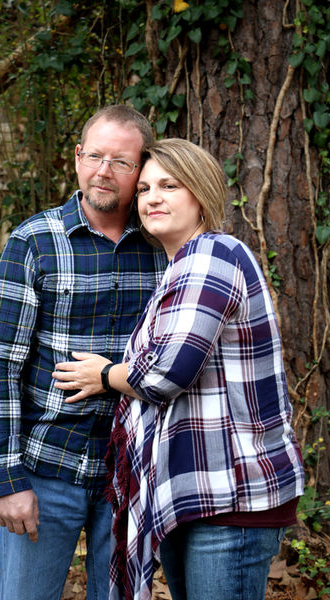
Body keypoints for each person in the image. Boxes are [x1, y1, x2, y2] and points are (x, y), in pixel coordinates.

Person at [52, 138, 305, 600]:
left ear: (201, 193)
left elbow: (165, 374)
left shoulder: (212, 256)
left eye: (169, 186)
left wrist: (105, 375)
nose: (152, 198)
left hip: (232, 498)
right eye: (144, 188)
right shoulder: (180, 266)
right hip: (197, 493)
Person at [0, 105, 167, 600]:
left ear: (141, 168)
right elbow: (0, 366)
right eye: (95, 156)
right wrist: (8, 479)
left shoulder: (163, 246)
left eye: (121, 161)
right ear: (78, 157)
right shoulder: (34, 241)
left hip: (129, 474)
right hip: (46, 469)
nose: (104, 171)